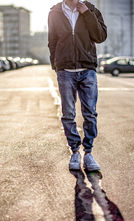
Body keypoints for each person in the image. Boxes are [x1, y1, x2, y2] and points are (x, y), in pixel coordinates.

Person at [48, 0, 107, 170]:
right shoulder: (55, 12)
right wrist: (56, 65)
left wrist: (86, 13)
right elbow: (52, 41)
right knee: (68, 114)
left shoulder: (91, 9)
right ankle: (75, 152)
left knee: (90, 113)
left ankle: (88, 153)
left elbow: (100, 36)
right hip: (65, 70)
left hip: (87, 69)